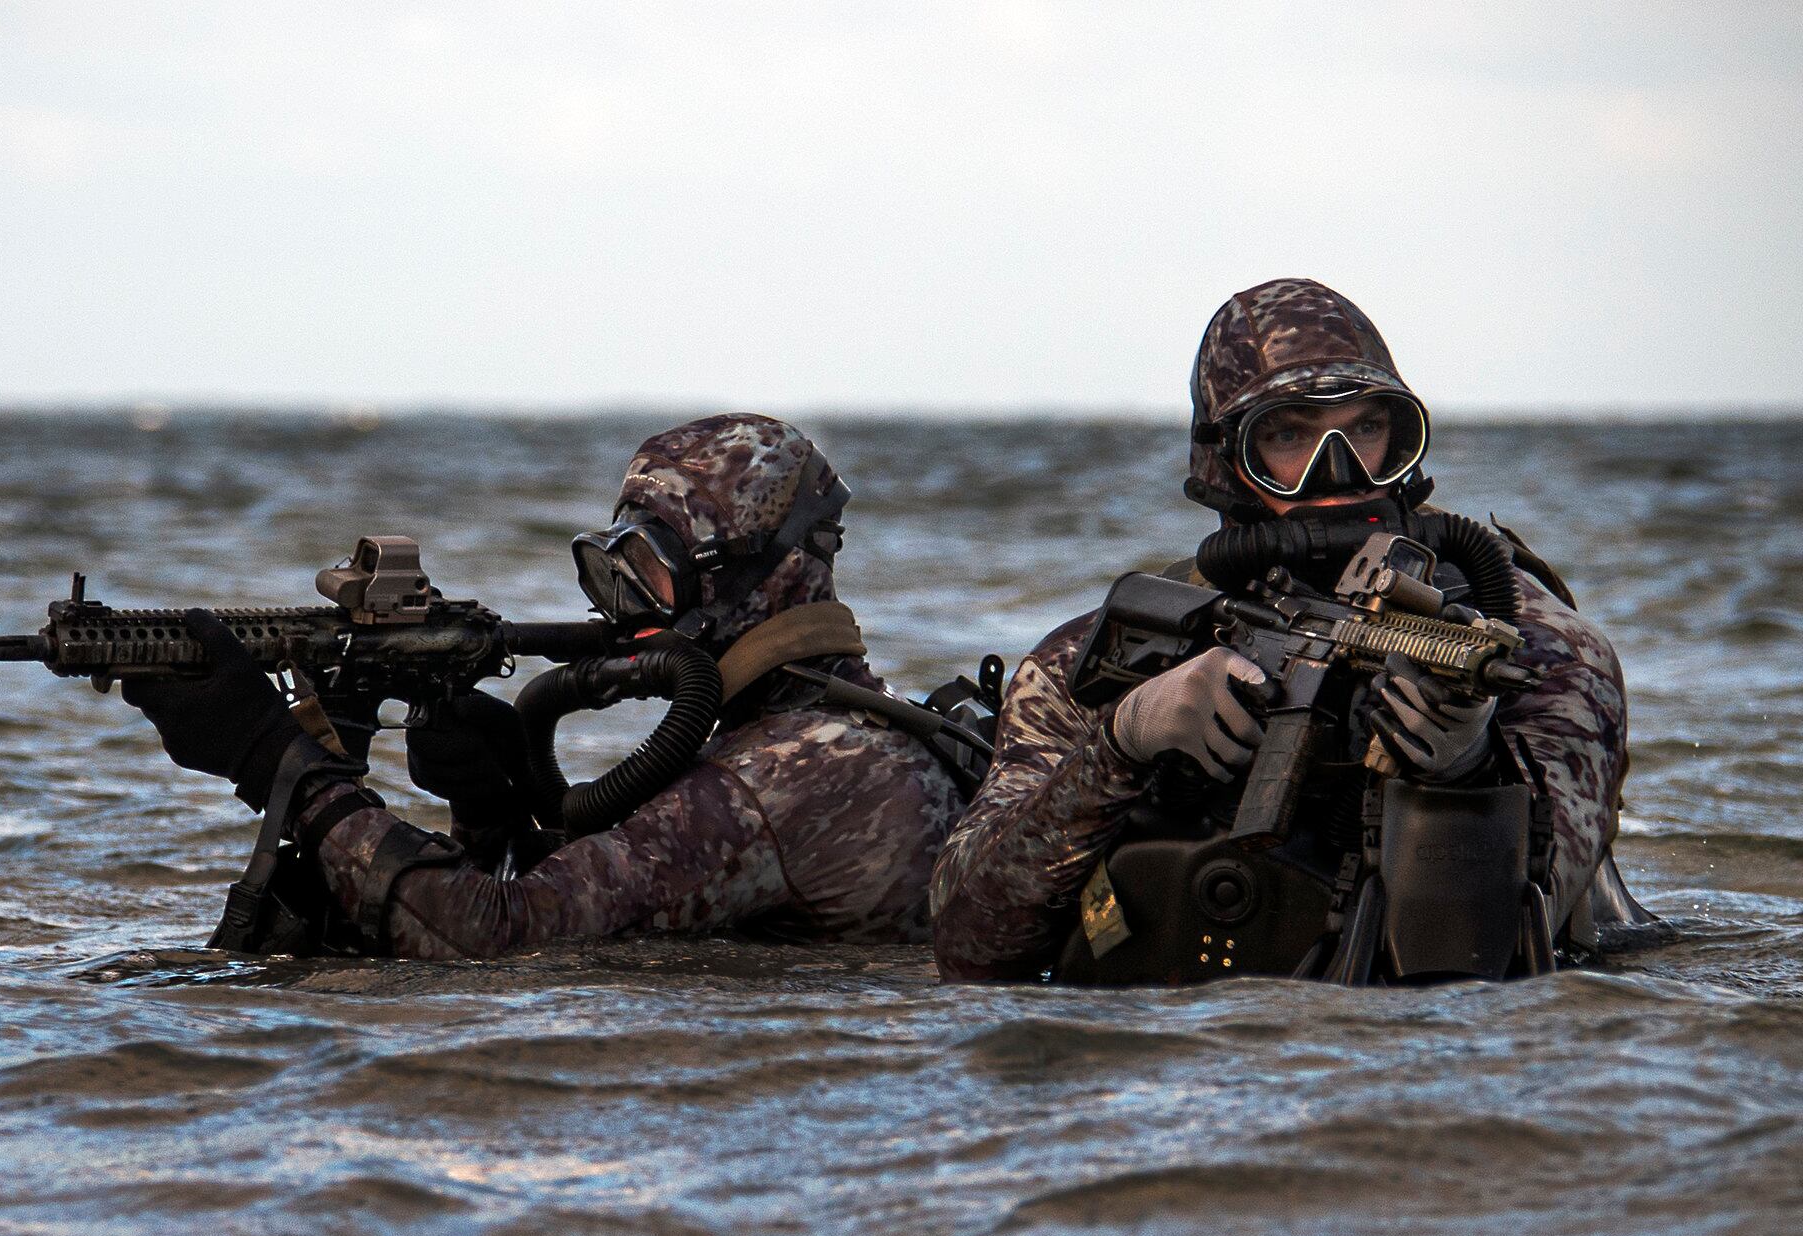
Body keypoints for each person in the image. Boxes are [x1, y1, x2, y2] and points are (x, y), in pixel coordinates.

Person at [931, 278, 1638, 984]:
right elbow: (970, 944)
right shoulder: (1097, 653)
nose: (1340, 472)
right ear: (1226, 461)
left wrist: (1470, 774)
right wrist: (1120, 743)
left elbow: (1525, 952)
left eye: (1367, 428)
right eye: (1289, 435)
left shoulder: (1542, 649)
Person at [126, 414, 963, 959]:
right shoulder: (838, 741)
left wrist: (274, 758)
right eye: (613, 567)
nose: (629, 608)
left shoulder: (774, 781)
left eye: (651, 571)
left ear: (755, 581)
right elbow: (610, 913)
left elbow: (494, 943)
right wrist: (496, 818)